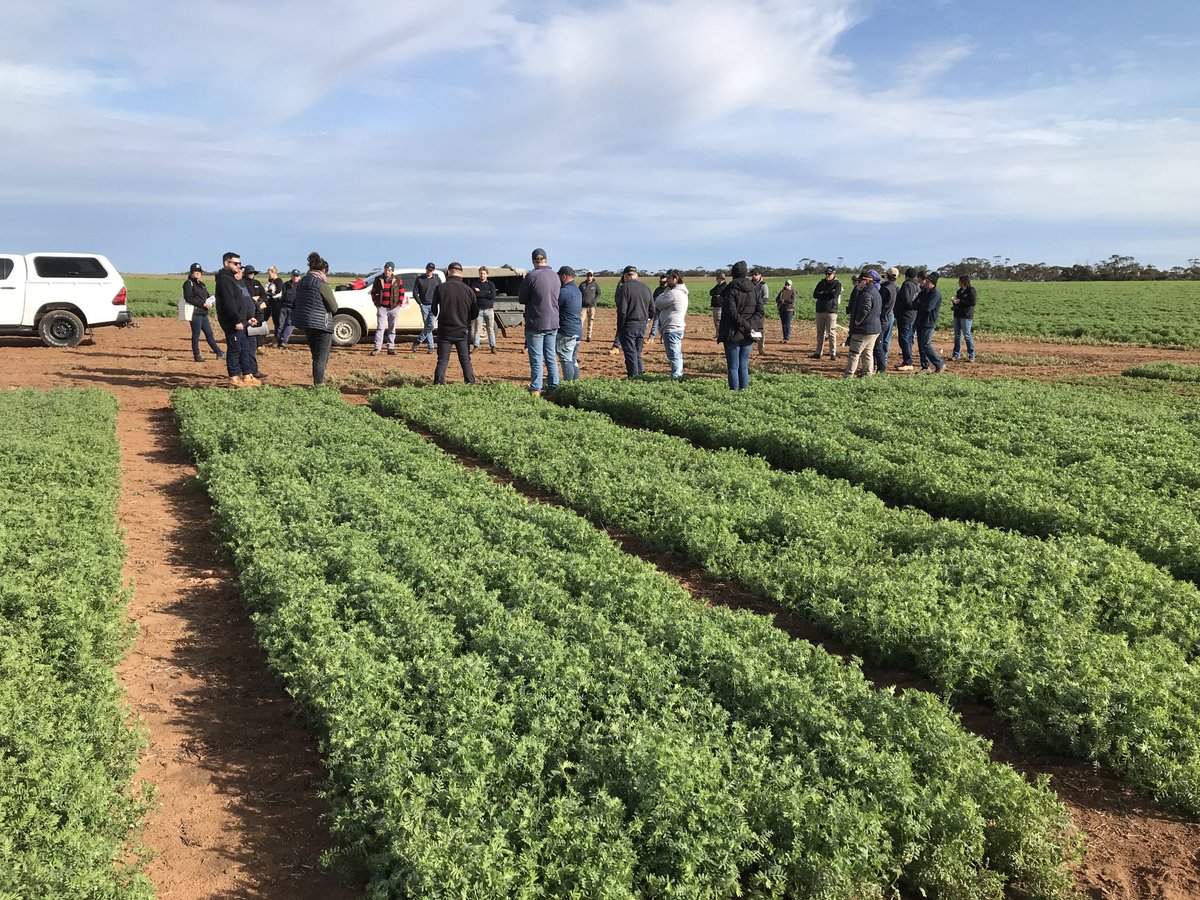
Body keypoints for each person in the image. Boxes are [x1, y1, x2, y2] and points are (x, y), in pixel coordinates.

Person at [214, 251, 262, 387]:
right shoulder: (224, 279)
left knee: (244, 349)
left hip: (242, 322)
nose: (239, 266)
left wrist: (248, 318)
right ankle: (234, 378)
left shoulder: (233, 280)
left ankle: (247, 376)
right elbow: (229, 303)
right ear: (226, 263)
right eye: (235, 263)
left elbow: (240, 302)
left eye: (240, 264)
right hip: (233, 323)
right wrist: (236, 321)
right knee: (235, 349)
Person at [517, 247, 560, 396]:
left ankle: (536, 388)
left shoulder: (531, 276)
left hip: (536, 322)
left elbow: (522, 298)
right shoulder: (555, 276)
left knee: (536, 358)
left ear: (533, 261)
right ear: (546, 260)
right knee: (550, 356)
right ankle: (554, 387)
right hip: (553, 321)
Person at [292, 251, 339, 385]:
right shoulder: (322, 285)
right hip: (321, 324)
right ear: (323, 270)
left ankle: (318, 382)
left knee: (315, 356)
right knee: (321, 357)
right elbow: (334, 307)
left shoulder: (301, 283)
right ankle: (319, 385)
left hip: (306, 323)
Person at [717, 260, 762, 390]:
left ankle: (734, 394)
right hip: (748, 333)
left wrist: (744, 325)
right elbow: (760, 312)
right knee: (743, 364)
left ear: (733, 274)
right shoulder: (754, 289)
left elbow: (732, 313)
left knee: (733, 366)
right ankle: (744, 393)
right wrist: (749, 325)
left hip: (732, 332)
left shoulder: (730, 289)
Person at [431, 262, 478, 384]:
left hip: (445, 330)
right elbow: (475, 313)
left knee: (442, 360)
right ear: (461, 272)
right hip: (462, 330)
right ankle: (470, 384)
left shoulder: (440, 288)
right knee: (465, 359)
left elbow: (433, 309)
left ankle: (438, 384)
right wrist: (466, 320)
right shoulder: (469, 290)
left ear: (448, 272)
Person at [614, 264, 653, 378]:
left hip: (629, 325)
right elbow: (653, 310)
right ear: (636, 275)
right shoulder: (646, 287)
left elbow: (622, 311)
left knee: (630, 353)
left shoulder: (624, 288)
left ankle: (633, 378)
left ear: (625, 276)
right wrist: (646, 321)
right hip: (642, 325)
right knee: (637, 353)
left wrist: (620, 326)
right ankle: (640, 377)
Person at [844, 269, 882, 377]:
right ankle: (868, 374)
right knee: (867, 353)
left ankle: (848, 376)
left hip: (864, 329)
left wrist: (857, 322)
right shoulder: (875, 292)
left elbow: (865, 309)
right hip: (874, 329)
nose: (858, 283)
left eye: (860, 281)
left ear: (865, 281)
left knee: (854, 353)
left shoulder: (866, 294)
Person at [182, 262, 224, 362]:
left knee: (209, 333)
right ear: (191, 272)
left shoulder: (202, 284)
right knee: (196, 334)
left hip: (203, 313)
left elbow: (208, 296)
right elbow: (188, 298)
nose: (197, 273)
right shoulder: (188, 283)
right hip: (195, 313)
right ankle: (197, 355)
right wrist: (202, 304)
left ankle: (219, 353)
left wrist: (211, 303)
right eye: (195, 271)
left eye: (199, 271)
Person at [654, 269, 688, 378]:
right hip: (677, 327)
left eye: (669, 278)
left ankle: (676, 376)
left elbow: (657, 302)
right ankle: (678, 374)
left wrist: (667, 290)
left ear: (675, 278)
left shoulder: (673, 293)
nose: (666, 281)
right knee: (677, 354)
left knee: (673, 355)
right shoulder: (682, 292)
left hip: (671, 328)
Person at [369, 261, 404, 356]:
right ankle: (377, 347)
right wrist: (376, 303)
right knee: (380, 328)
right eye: (385, 270)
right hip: (382, 307)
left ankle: (390, 347)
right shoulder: (378, 279)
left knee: (392, 328)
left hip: (393, 307)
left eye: (389, 270)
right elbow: (373, 292)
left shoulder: (397, 279)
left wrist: (399, 304)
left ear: (392, 271)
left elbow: (401, 293)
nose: (387, 272)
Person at [555, 266, 583, 380]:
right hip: (577, 329)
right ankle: (575, 384)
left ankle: (568, 385)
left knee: (566, 360)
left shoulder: (564, 292)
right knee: (573, 359)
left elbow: (554, 307)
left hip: (566, 331)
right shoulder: (577, 291)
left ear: (563, 276)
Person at [915, 272, 944, 374]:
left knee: (926, 345)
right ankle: (925, 366)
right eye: (926, 281)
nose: (926, 283)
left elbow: (928, 307)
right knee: (921, 345)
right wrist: (921, 304)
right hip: (920, 320)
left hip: (929, 322)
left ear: (933, 283)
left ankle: (939, 364)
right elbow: (914, 304)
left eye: (928, 281)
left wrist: (920, 304)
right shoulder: (923, 292)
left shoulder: (936, 294)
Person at [893, 267, 920, 371]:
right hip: (913, 315)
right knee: (909, 338)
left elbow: (906, 300)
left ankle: (908, 362)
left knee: (904, 339)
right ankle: (907, 361)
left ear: (906, 276)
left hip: (905, 315)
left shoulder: (906, 284)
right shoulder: (917, 286)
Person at [812, 266, 842, 359]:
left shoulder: (837, 284)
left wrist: (822, 294)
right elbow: (815, 294)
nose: (827, 275)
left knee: (831, 333)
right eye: (826, 274)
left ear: (834, 274)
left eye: (829, 274)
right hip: (820, 310)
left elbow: (834, 295)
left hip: (831, 311)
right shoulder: (821, 283)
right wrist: (827, 293)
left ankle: (833, 353)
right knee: (820, 333)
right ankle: (818, 352)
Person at [874, 267, 898, 373]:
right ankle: (884, 360)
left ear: (887, 275)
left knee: (878, 343)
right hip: (890, 315)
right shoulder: (895, 287)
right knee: (886, 340)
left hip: (882, 316)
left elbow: (878, 302)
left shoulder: (885, 288)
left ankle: (879, 365)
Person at [412, 262, 440, 353]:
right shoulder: (420, 279)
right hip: (424, 305)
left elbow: (441, 291)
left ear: (433, 270)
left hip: (434, 305)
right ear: (426, 269)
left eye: (431, 270)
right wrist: (420, 303)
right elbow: (415, 292)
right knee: (428, 326)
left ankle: (418, 340)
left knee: (431, 325)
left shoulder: (437, 279)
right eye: (428, 270)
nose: (429, 272)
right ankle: (431, 347)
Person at [470, 266, 498, 353]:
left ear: (487, 275)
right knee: (478, 329)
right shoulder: (475, 284)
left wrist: (480, 292)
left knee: (490, 329)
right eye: (481, 273)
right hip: (479, 310)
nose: (482, 275)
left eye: (484, 273)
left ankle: (493, 347)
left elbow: (492, 295)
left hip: (489, 310)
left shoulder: (491, 284)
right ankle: (476, 346)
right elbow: (475, 295)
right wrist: (486, 293)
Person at [241, 265, 268, 352]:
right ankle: (250, 345)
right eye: (250, 273)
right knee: (250, 327)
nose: (252, 274)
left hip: (259, 308)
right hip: (249, 309)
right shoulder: (243, 283)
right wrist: (253, 301)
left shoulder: (257, 283)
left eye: (253, 273)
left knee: (259, 326)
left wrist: (261, 300)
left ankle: (259, 345)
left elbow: (263, 294)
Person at [952, 274, 977, 361]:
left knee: (967, 334)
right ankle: (956, 354)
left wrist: (960, 301)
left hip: (966, 316)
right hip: (957, 315)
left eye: (960, 281)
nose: (958, 283)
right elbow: (958, 302)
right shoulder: (959, 291)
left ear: (963, 281)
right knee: (957, 335)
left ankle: (971, 354)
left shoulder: (971, 290)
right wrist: (954, 302)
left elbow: (973, 302)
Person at [276, 268, 301, 348]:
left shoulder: (301, 285)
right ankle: (278, 340)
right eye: (294, 276)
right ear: (291, 276)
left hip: (294, 308)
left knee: (290, 324)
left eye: (297, 276)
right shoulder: (286, 284)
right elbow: (282, 295)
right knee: (281, 324)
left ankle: (284, 340)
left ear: (299, 277)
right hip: (284, 307)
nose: (295, 277)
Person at [579, 270, 601, 341]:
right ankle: (579, 335)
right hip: (583, 307)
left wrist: (594, 300)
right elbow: (578, 293)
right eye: (588, 275)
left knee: (590, 322)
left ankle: (589, 336)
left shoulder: (595, 284)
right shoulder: (582, 285)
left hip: (592, 307)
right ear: (586, 276)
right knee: (581, 321)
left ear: (593, 276)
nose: (589, 277)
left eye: (591, 275)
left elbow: (599, 293)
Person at [750, 269, 768, 350]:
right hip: (750, 309)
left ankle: (760, 347)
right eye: (753, 274)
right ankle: (752, 345)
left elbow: (765, 298)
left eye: (756, 274)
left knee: (759, 328)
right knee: (752, 327)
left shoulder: (763, 285)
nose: (754, 276)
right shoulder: (749, 284)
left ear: (760, 275)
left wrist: (758, 305)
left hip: (759, 310)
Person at [264, 266, 284, 341]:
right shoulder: (271, 281)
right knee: (275, 321)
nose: (269, 276)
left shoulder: (278, 280)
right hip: (272, 303)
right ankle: (276, 336)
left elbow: (278, 290)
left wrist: (268, 291)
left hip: (277, 303)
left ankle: (278, 337)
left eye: (269, 274)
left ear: (273, 272)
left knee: (278, 321)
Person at [648, 274, 668, 342]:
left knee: (664, 325)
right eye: (660, 281)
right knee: (655, 324)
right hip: (657, 310)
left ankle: (663, 338)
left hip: (665, 310)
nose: (662, 283)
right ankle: (651, 338)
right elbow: (653, 299)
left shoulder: (669, 290)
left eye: (664, 282)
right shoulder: (658, 290)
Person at [775, 278, 796, 343]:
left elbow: (792, 301)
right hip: (782, 309)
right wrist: (782, 301)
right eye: (786, 284)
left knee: (787, 324)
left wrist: (783, 301)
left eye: (788, 284)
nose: (787, 285)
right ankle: (784, 338)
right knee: (783, 324)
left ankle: (787, 338)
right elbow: (777, 299)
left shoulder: (793, 292)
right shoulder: (782, 291)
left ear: (791, 285)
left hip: (789, 310)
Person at [709, 271, 727, 337]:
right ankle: (717, 334)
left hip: (720, 307)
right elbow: (711, 292)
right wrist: (716, 294)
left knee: (719, 321)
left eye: (718, 278)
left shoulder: (725, 286)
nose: (717, 280)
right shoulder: (717, 285)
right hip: (715, 306)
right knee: (716, 321)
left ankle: (720, 335)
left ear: (721, 279)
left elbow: (717, 291)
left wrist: (717, 293)